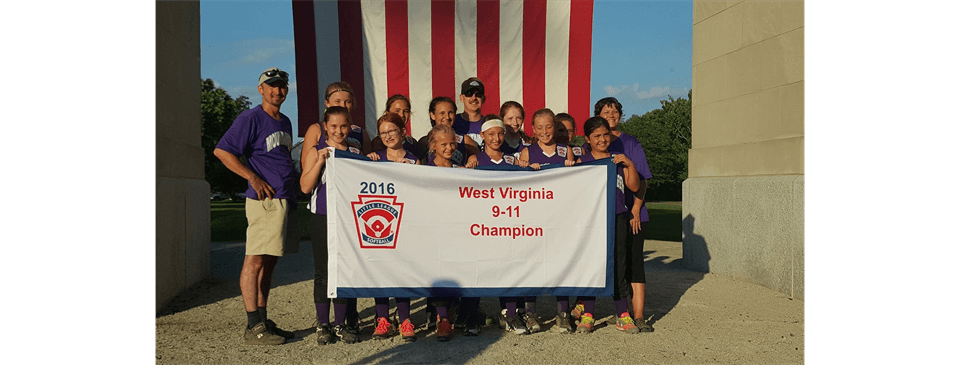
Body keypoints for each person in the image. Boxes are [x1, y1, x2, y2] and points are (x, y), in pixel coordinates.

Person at [213, 67, 299, 345]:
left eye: (282, 85)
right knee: (255, 260)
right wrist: (252, 177)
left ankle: (263, 320)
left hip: (284, 199)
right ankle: (253, 326)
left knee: (270, 263)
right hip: (264, 202)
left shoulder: (284, 121)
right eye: (272, 85)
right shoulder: (250, 117)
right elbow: (222, 150)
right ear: (261, 89)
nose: (278, 90)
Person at [571, 116, 643, 334]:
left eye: (605, 135)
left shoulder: (618, 159)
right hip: (592, 221)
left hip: (617, 218)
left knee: (618, 265)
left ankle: (622, 313)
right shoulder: (582, 162)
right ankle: (588, 313)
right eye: (596, 136)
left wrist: (629, 164)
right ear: (587, 139)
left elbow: (633, 187)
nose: (602, 139)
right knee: (591, 265)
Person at [300, 106, 363, 345]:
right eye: (333, 126)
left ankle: (341, 324)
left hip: (348, 218)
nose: (339, 131)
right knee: (323, 272)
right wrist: (319, 161)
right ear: (324, 126)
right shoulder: (316, 150)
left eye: (343, 126)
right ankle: (323, 324)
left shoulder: (355, 151)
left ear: (350, 126)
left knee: (344, 270)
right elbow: (305, 186)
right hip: (323, 215)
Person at [595, 97, 655, 332]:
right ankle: (622, 312)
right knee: (615, 264)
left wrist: (637, 209)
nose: (611, 114)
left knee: (633, 264)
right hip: (606, 216)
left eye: (615, 111)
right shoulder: (594, 144)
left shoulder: (630, 143)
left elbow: (643, 180)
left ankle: (638, 315)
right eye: (605, 111)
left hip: (632, 213)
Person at [364, 113, 419, 341]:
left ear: (402, 132)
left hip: (406, 223)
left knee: (401, 272)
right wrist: (368, 163)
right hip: (382, 224)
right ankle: (382, 319)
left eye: (392, 131)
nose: (387, 136)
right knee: (381, 272)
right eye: (383, 133)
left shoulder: (415, 160)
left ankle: (405, 319)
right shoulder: (374, 159)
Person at [300, 82, 372, 166]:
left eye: (348, 102)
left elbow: (368, 166)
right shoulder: (316, 129)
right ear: (327, 103)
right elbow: (305, 164)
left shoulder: (361, 133)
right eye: (337, 101)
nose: (343, 105)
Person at [416, 96, 480, 166]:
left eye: (450, 112)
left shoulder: (464, 140)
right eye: (442, 113)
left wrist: (471, 161)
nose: (447, 117)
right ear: (432, 115)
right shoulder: (424, 141)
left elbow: (481, 160)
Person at [453, 77, 486, 146]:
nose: (474, 98)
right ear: (461, 98)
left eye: (478, 94)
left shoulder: (489, 123)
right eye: (469, 93)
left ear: (483, 99)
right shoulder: (452, 122)